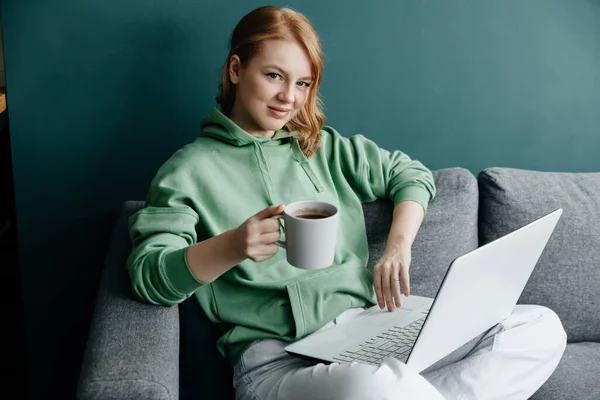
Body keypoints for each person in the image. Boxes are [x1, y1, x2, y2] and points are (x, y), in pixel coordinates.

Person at [126, 5, 567, 400]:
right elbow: (149, 278)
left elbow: (409, 175)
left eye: (302, 83)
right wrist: (234, 245)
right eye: (274, 75)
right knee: (373, 387)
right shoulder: (186, 171)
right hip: (277, 362)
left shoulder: (323, 148)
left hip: (365, 329)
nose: (289, 98)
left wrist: (398, 247)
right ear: (237, 69)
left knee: (537, 328)